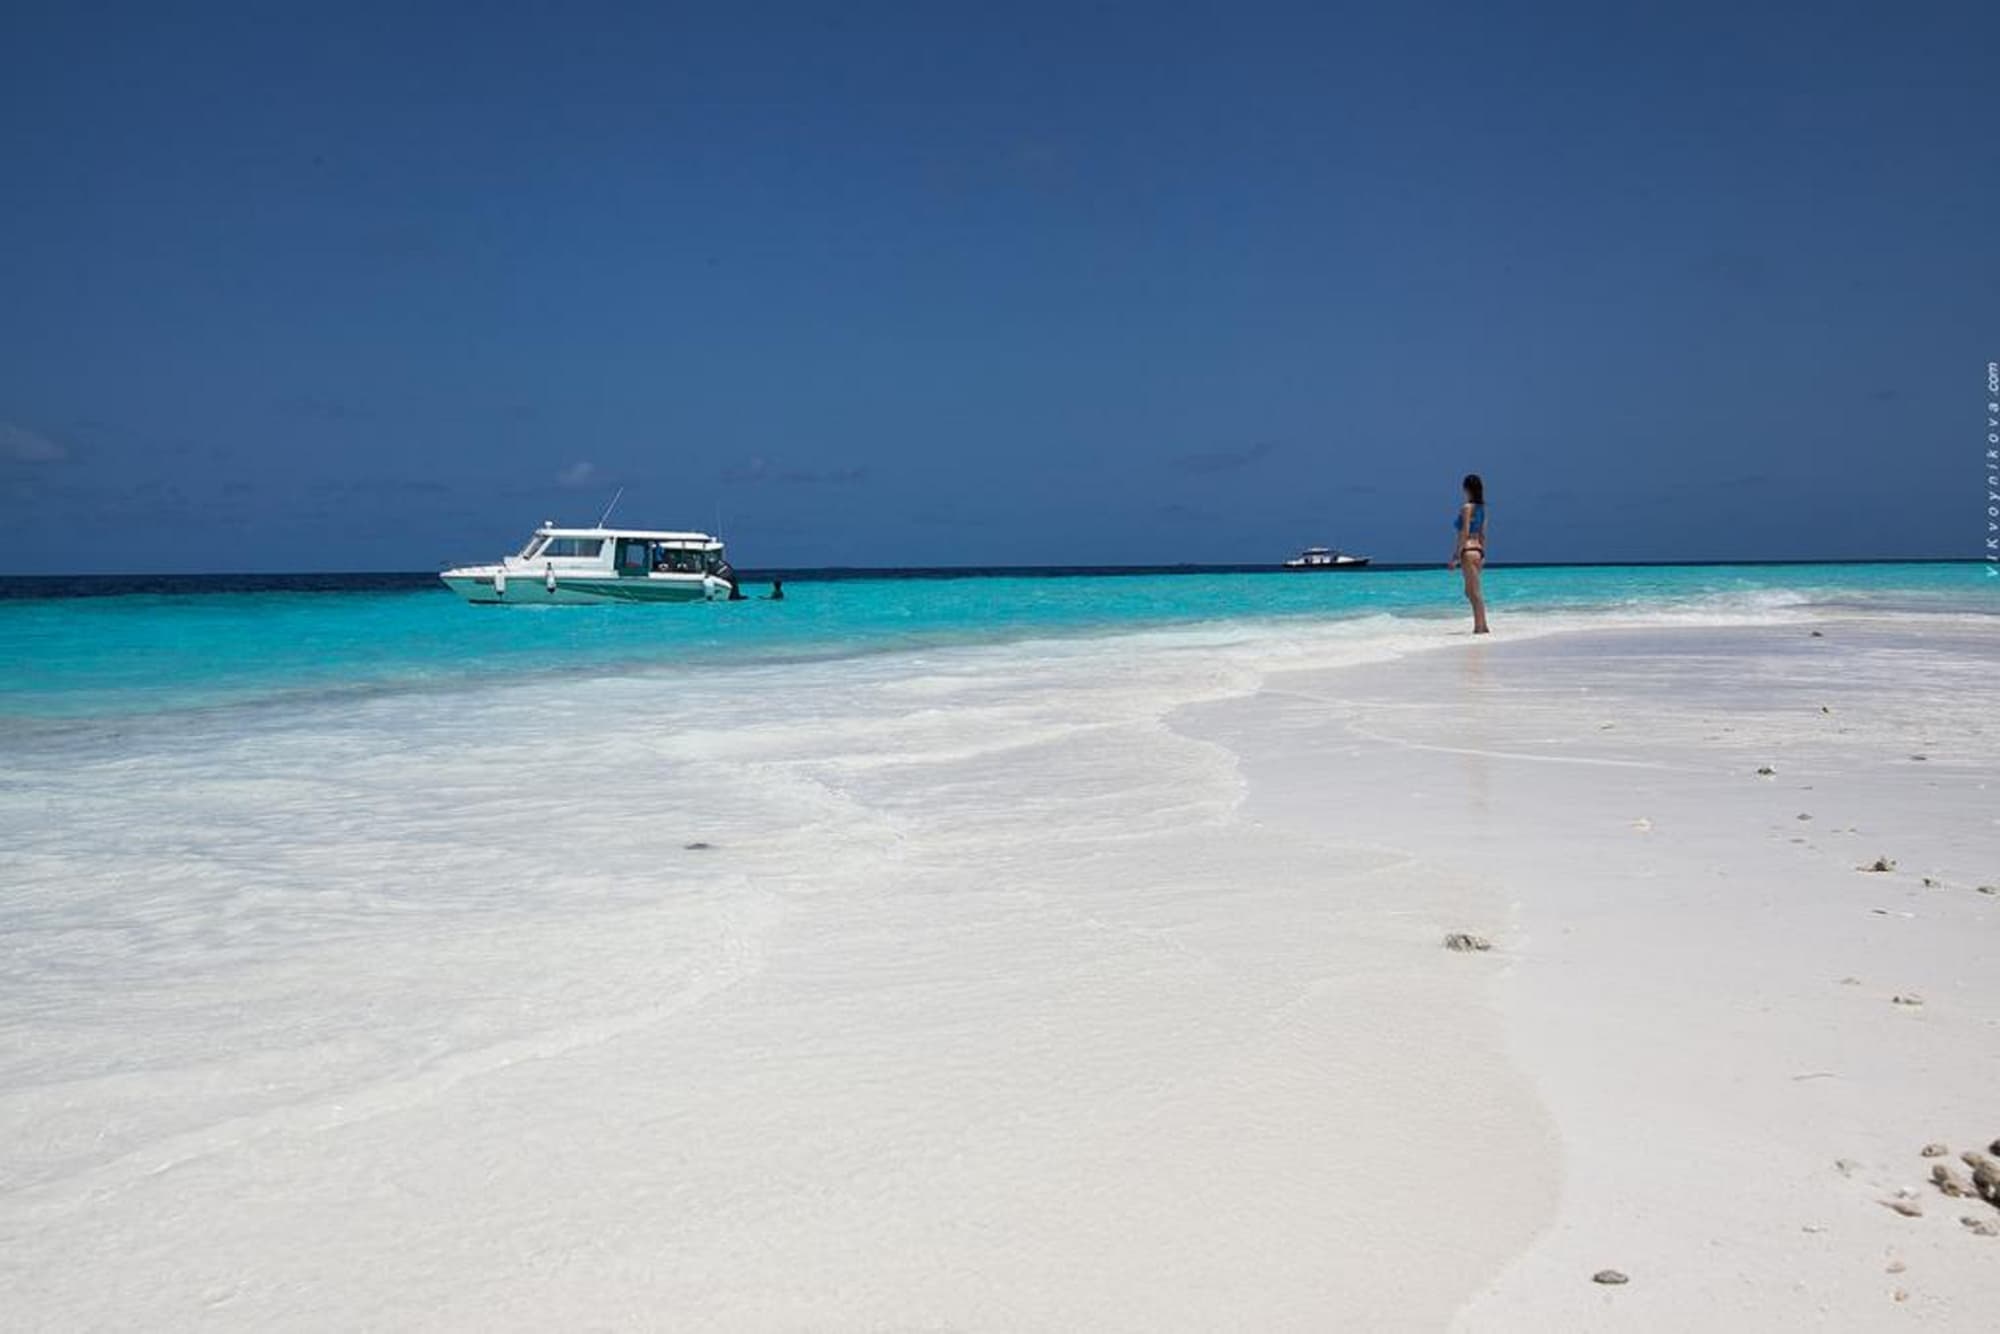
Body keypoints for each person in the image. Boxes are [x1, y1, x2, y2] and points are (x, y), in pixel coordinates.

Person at [1448, 473, 1490, 634]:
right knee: (1470, 591)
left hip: (1468, 550)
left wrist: (1455, 557)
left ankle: (1481, 626)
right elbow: (1482, 534)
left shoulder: (1467, 508)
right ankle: (1481, 624)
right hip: (1478, 550)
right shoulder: (1482, 509)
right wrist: (1483, 555)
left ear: (1466, 488)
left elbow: (1464, 532)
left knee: (1475, 592)